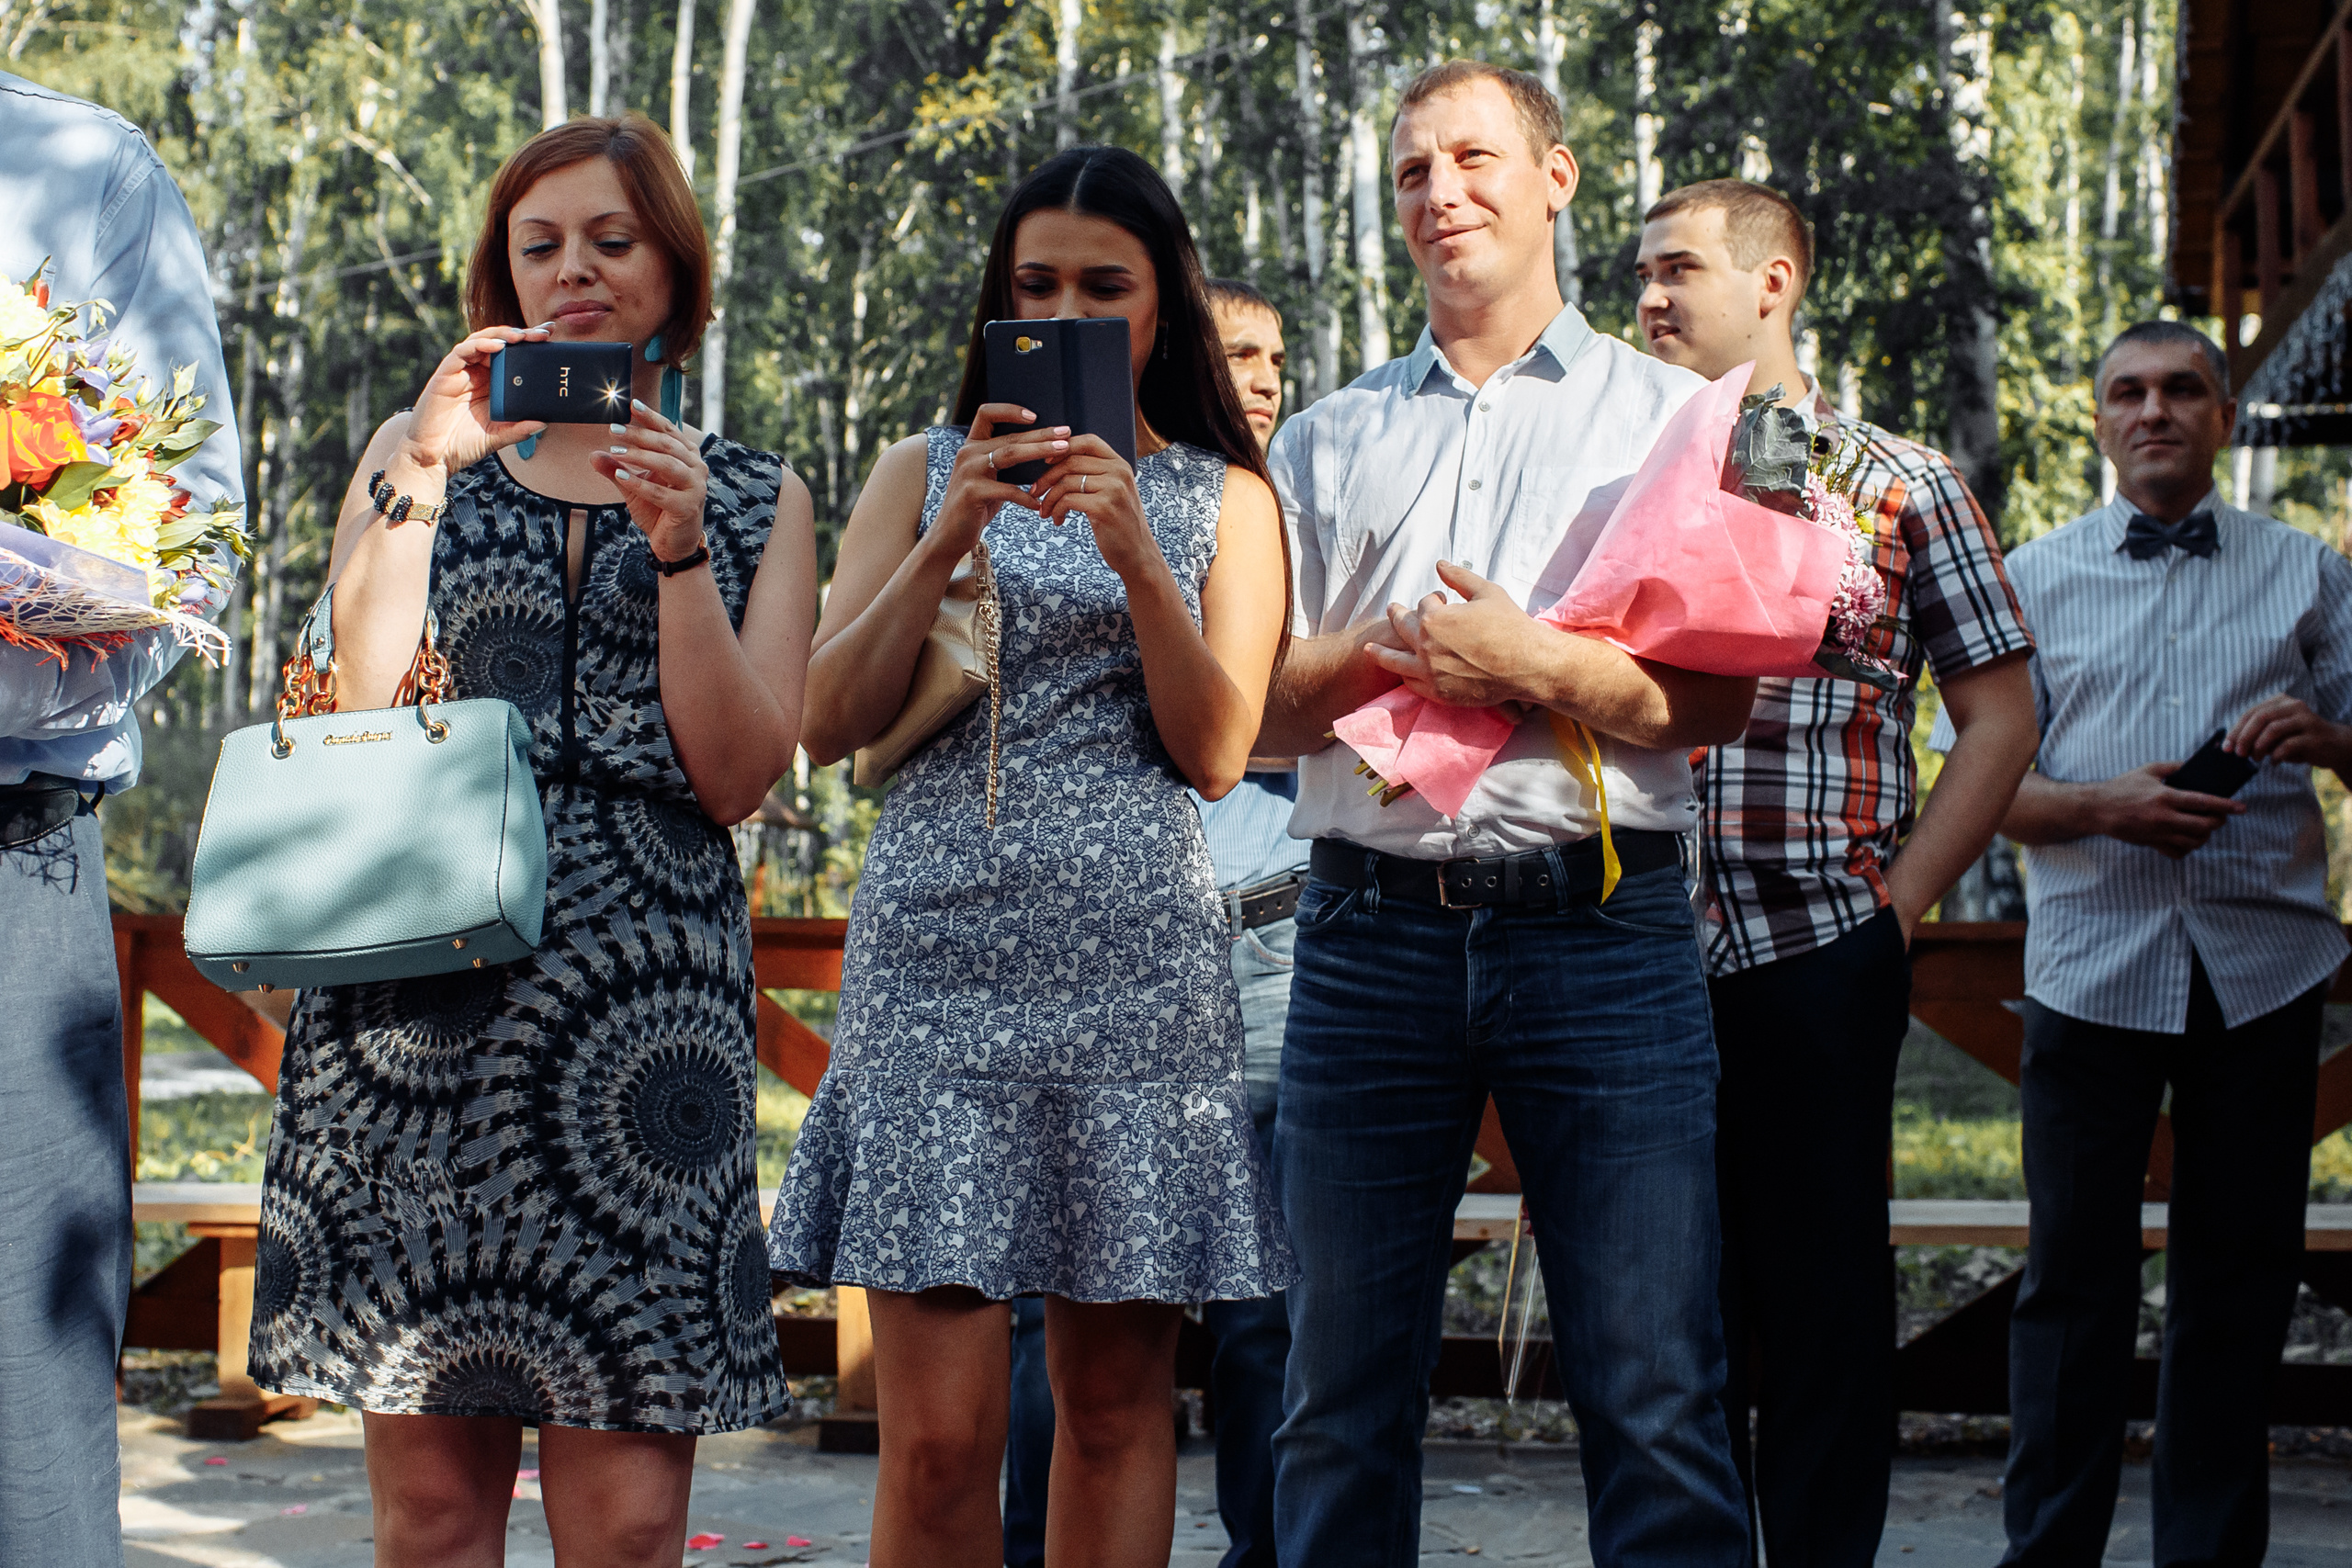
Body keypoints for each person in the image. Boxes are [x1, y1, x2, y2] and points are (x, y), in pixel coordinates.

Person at [244, 112, 815, 1568]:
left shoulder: (758, 495)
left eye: (612, 243)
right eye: (539, 245)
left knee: (627, 1530)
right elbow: (342, 702)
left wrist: (680, 550)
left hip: (643, 1046)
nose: (574, 274)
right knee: (430, 1520)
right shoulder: (410, 453)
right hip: (415, 1015)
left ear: (675, 276)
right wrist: (423, 473)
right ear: (498, 272)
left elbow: (738, 775)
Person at [766, 146, 1294, 1568]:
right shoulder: (918, 471)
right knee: (938, 1437)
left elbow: (1217, 753)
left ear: (1163, 306)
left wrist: (1134, 555)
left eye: (1103, 286)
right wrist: (948, 535)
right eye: (1035, 284)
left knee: (1114, 1413)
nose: (1066, 310)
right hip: (937, 964)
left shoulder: (1223, 500)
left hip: (1136, 974)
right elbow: (825, 717)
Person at [1256, 61, 1753, 1567]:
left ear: (1557, 178)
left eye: (1472, 159)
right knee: (1335, 1394)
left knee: (1656, 1390)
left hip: (1602, 931)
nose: (1438, 195)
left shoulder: (1675, 418)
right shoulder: (1324, 439)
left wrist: (1535, 664)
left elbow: (1715, 708)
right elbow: (1254, 712)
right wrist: (1399, 647)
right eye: (1410, 173)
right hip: (1364, 936)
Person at [1633, 179, 2040, 1566]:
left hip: (1817, 949)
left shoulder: (1901, 483)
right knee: (1659, 1322)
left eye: (1679, 268)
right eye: (1642, 275)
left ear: (1777, 280)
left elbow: (2001, 716)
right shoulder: (1614, 477)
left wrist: (1901, 906)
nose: (1650, 299)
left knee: (1821, 1320)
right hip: (1628, 959)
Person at [1969, 321, 2352, 1567]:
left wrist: (2333, 741)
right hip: (2091, 973)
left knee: (2235, 1294)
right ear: (2098, 422)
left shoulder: (2310, 571)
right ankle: (2050, 1557)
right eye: (2127, 392)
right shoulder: (2030, 576)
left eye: (2183, 390)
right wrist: (2101, 808)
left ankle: (2209, 1557)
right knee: (2072, 1295)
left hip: (2265, 972)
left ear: (2224, 417)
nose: (2155, 411)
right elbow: (1970, 788)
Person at [1002, 276, 1300, 1568]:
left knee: (1263, 1307)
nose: (1263, 377)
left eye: (1278, 356)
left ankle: (1264, 1554)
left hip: (1282, 944)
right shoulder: (1063, 499)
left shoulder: (1292, 516)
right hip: (1113, 940)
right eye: (1235, 352)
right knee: (1051, 1305)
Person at [0, 68, 243, 1568]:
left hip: (9, 858)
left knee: (22, 1427)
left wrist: (37, 592)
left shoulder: (80, 168)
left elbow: (189, 554)